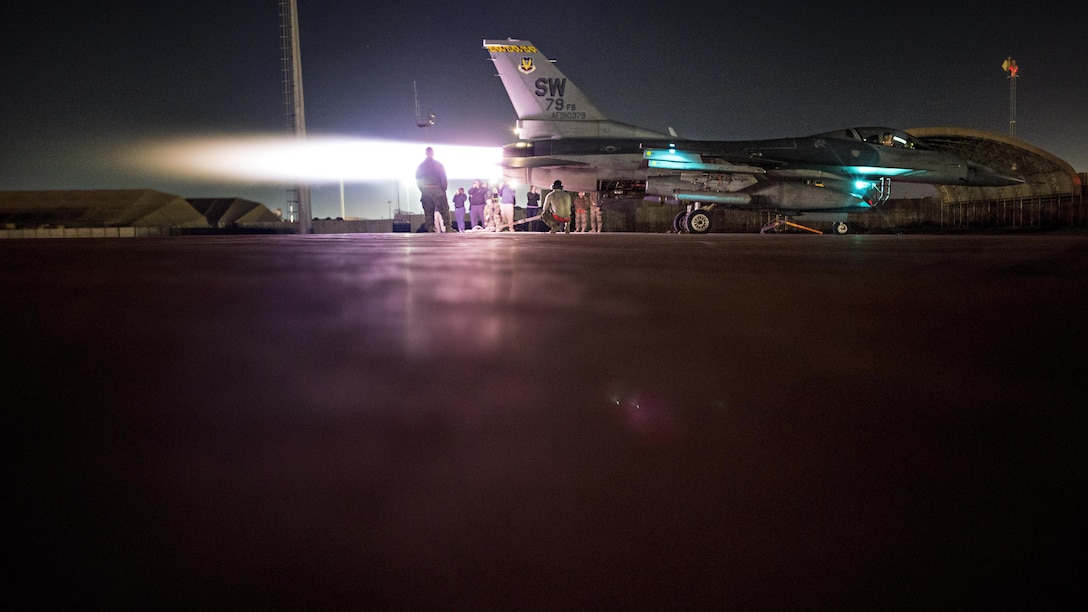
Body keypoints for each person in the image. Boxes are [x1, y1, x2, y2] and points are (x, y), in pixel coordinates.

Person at [415, 147, 451, 233]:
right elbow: (443, 177)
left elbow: (417, 179)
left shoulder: (421, 166)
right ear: (432, 153)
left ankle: (430, 228)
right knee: (444, 209)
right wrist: (443, 189)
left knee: (428, 212)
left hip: (426, 190)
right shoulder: (438, 165)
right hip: (437, 189)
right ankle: (448, 228)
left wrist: (422, 190)